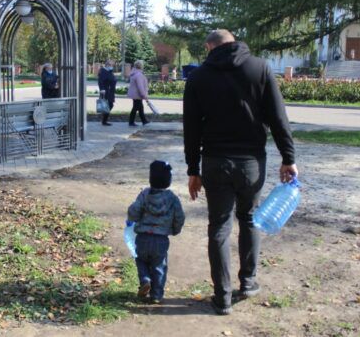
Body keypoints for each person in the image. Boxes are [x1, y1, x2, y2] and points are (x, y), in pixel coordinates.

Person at [183, 29, 298, 315]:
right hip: (251, 162)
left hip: (215, 161)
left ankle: (221, 298)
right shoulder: (259, 68)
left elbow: (191, 128)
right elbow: (278, 116)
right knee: (249, 219)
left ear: (210, 47)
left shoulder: (198, 77)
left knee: (219, 226)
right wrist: (288, 157)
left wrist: (192, 169)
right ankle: (247, 282)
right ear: (233, 42)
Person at [127, 160, 185, 304]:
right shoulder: (172, 198)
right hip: (161, 239)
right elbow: (179, 216)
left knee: (141, 260)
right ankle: (157, 295)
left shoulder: (144, 194)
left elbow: (134, 211)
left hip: (142, 238)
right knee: (159, 266)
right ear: (169, 181)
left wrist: (132, 219)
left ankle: (145, 280)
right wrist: (175, 230)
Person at [127, 60, 150, 126]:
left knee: (140, 107)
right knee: (136, 107)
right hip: (138, 94)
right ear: (141, 66)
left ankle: (144, 121)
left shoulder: (134, 73)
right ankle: (131, 122)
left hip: (135, 94)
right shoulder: (138, 75)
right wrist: (144, 95)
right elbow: (140, 86)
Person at [98, 59, 117, 126]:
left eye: (112, 65)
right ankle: (104, 120)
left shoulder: (109, 71)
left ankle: (104, 119)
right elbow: (100, 81)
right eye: (111, 65)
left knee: (110, 105)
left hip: (111, 91)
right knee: (108, 105)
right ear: (107, 65)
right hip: (106, 91)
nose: (112, 66)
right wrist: (102, 89)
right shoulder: (103, 71)